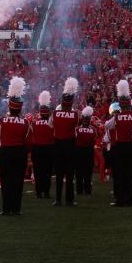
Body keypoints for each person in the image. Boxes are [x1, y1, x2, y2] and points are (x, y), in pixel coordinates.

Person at [0, 77, 31, 215]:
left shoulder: (2, 121)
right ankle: (16, 209)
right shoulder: (26, 122)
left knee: (6, 181)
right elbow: (29, 142)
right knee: (18, 181)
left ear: (9, 106)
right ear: (20, 109)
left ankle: (6, 208)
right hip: (20, 152)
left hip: (6, 152)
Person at [106, 80, 132, 207]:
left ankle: (119, 200)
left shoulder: (117, 117)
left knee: (119, 175)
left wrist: (115, 117)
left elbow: (107, 125)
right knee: (130, 175)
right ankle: (129, 200)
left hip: (120, 147)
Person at [52, 77, 79, 207]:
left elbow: (51, 126)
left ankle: (57, 199)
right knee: (69, 174)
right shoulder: (75, 115)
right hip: (70, 145)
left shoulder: (55, 114)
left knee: (59, 174)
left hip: (58, 145)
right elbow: (76, 126)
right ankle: (69, 200)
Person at [30, 91, 55, 199]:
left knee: (38, 171)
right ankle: (46, 192)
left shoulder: (34, 123)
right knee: (47, 172)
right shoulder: (52, 124)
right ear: (48, 113)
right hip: (49, 149)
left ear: (40, 112)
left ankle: (39, 192)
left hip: (37, 149)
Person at [75, 106, 97, 195]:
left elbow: (74, 140)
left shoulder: (77, 129)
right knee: (88, 173)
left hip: (79, 152)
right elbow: (94, 140)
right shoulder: (93, 129)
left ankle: (79, 190)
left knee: (79, 173)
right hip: (89, 152)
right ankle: (88, 190)